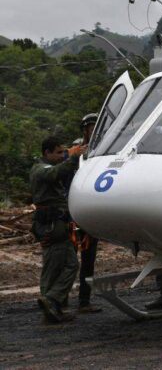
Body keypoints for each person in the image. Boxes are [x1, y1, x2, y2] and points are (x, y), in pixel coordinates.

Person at [30, 136, 85, 323]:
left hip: (57, 224)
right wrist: (73, 157)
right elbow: (55, 173)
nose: (61, 155)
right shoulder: (40, 169)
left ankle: (53, 304)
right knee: (54, 266)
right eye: (58, 152)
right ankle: (51, 301)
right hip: (52, 225)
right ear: (47, 153)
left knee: (70, 264)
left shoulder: (46, 167)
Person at [74, 113, 103, 313]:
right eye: (91, 126)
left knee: (88, 259)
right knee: (66, 260)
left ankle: (84, 300)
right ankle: (58, 298)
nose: (93, 130)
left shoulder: (104, 148)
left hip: (88, 211)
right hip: (72, 209)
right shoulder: (76, 150)